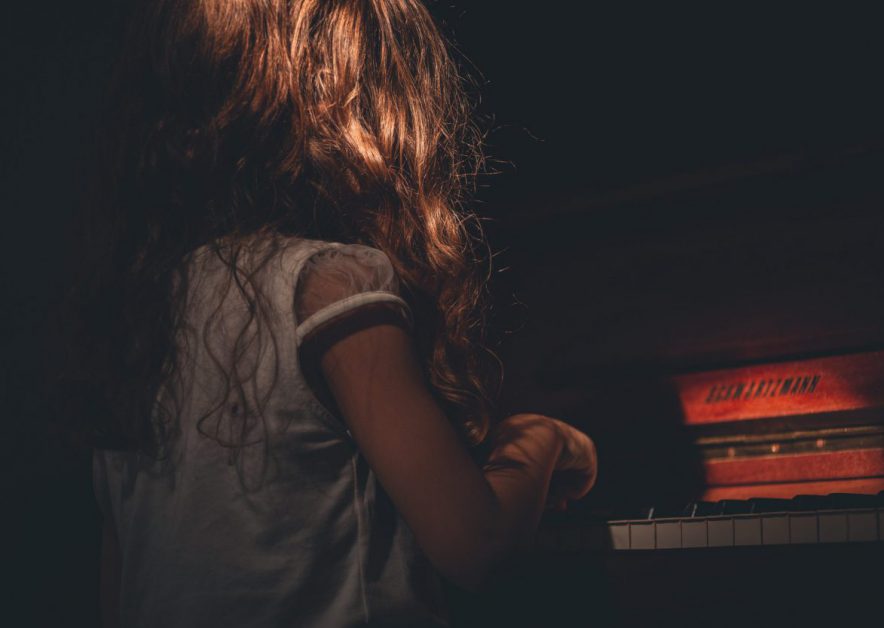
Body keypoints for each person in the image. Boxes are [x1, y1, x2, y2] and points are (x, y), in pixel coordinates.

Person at [56, 1, 597, 626]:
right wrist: (542, 437)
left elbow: (119, 596)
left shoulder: (136, 320)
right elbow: (478, 548)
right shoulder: (328, 286)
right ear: (368, 107)